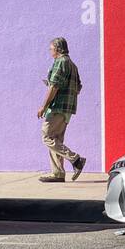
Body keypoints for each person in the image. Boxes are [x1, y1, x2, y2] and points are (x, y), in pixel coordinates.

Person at [37, 37, 86, 182]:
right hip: (68, 109)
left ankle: (76, 159)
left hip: (57, 107)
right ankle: (58, 173)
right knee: (56, 139)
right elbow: (78, 87)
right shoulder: (72, 65)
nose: (50, 51)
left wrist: (43, 106)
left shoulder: (60, 62)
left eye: (51, 49)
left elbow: (54, 86)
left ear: (57, 49)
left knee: (47, 137)